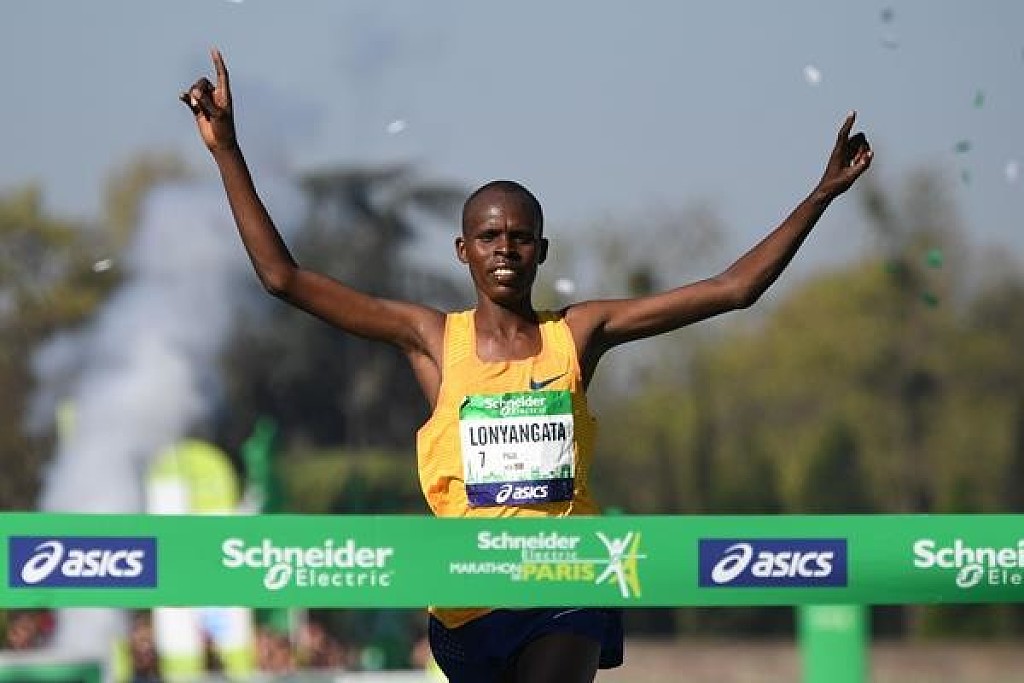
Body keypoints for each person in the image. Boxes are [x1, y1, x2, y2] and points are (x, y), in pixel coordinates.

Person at [182, 48, 872, 683]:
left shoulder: (578, 333)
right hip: (467, 601)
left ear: (542, 250)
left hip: (566, 582)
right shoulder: (432, 339)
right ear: (463, 251)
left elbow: (732, 289)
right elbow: (284, 278)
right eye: (489, 236)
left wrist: (819, 195)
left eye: (520, 237)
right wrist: (228, 152)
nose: (505, 249)